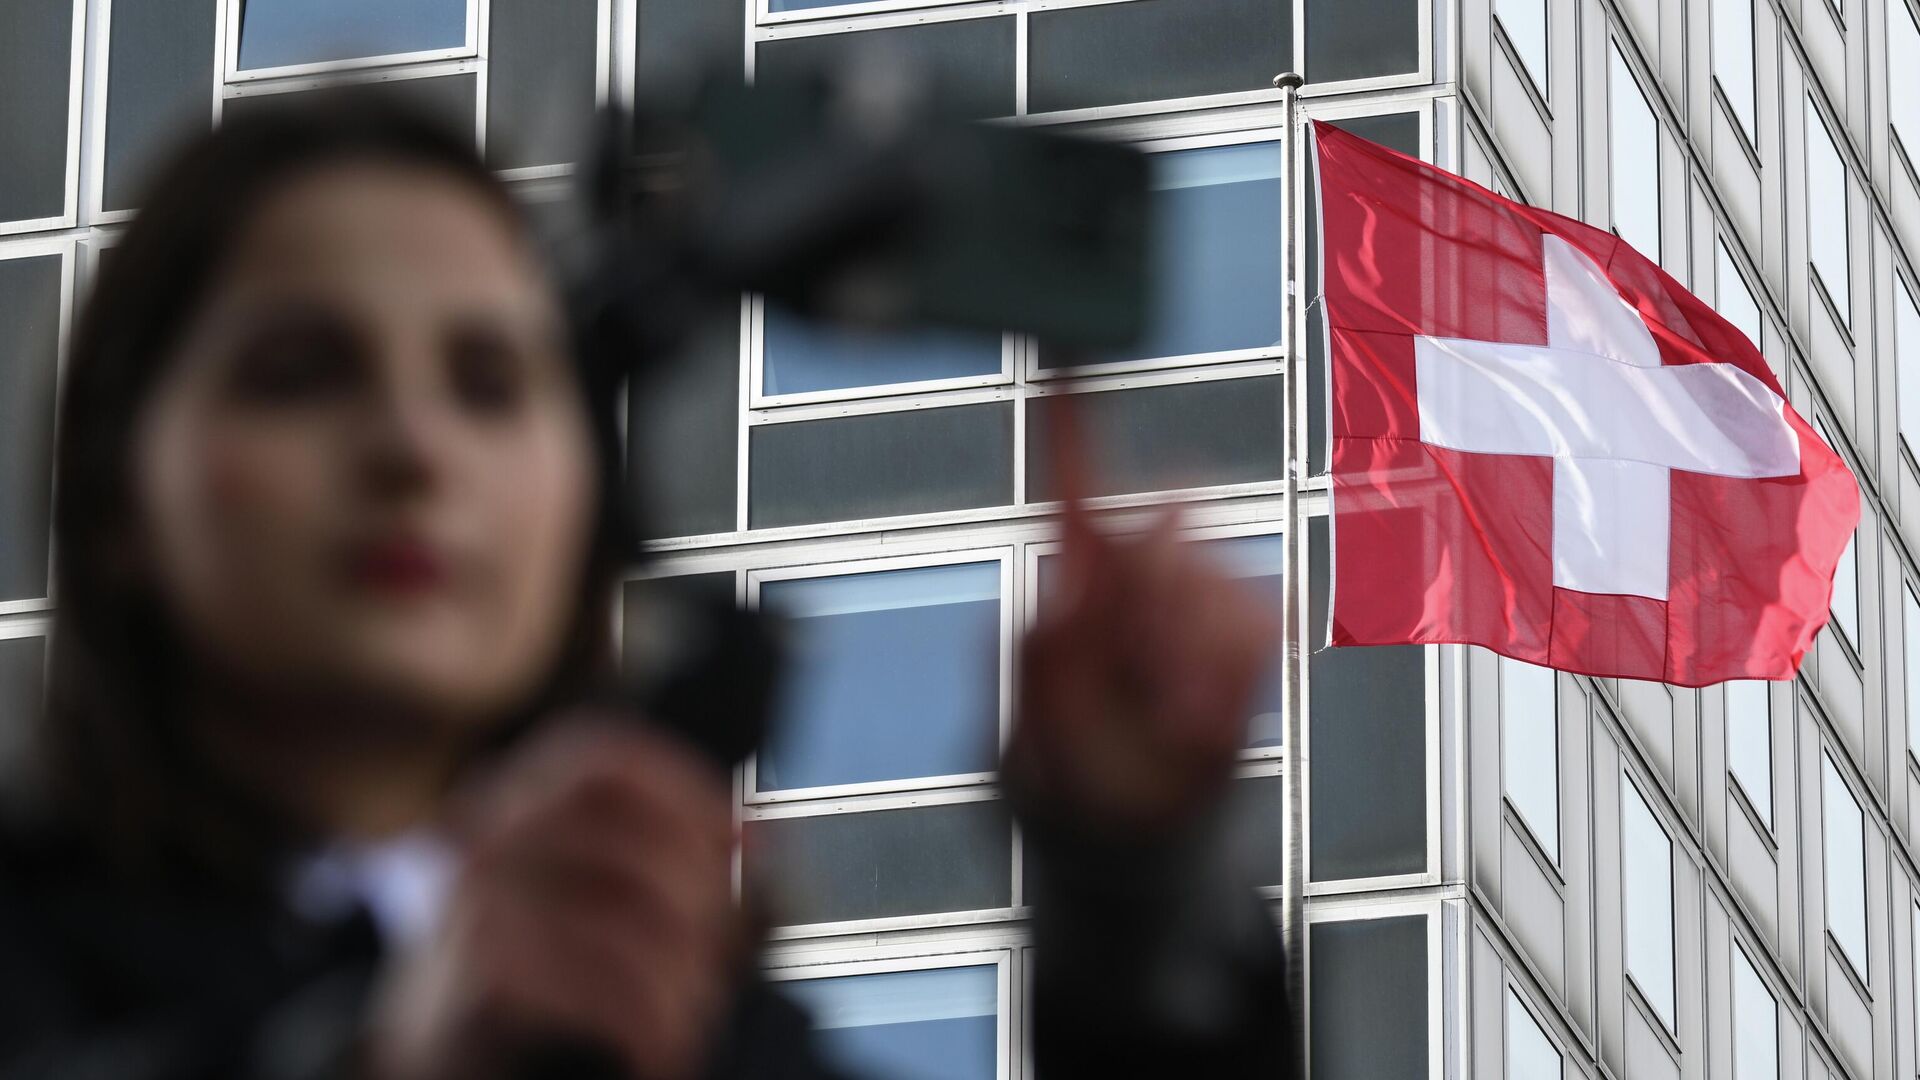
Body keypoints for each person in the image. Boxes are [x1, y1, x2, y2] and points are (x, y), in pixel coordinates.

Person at [0, 94, 1289, 1079]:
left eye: (490, 385)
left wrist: (1133, 889)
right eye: (301, 371)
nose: (413, 446)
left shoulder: (699, 1024)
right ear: (114, 488)